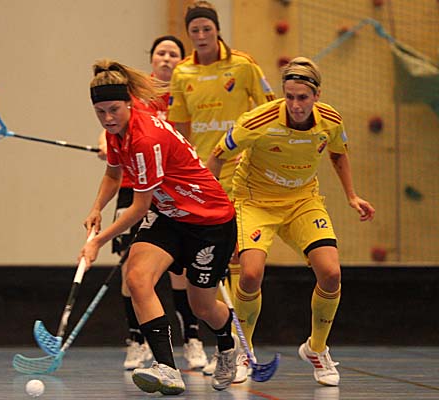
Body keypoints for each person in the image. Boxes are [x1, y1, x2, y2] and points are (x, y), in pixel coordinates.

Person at [206, 56, 376, 387]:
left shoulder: (330, 120)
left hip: (302, 201)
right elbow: (217, 155)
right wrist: (212, 208)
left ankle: (316, 349)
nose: (296, 105)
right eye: (290, 97)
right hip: (255, 202)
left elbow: (338, 153)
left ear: (317, 95)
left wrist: (352, 196)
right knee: (250, 274)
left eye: (303, 98)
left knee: (331, 273)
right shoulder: (257, 121)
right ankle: (243, 351)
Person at [81, 59, 239, 394]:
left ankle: (228, 345)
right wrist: (96, 208)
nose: (107, 119)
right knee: (137, 277)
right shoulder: (116, 132)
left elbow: (139, 208)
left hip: (209, 221)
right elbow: (113, 173)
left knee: (202, 307)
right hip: (169, 216)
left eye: (113, 110)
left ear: (129, 103)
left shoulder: (145, 139)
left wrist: (97, 241)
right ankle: (167, 368)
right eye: (100, 112)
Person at [167, 0, 276, 380]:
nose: (201, 36)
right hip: (203, 178)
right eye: (194, 31)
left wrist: (260, 150)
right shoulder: (182, 72)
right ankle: (228, 346)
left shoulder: (243, 65)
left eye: (207, 29)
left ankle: (241, 349)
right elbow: (179, 129)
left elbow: (270, 110)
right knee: (212, 261)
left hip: (243, 174)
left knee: (238, 259)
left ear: (217, 30)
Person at [96, 36, 208, 371]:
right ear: (152, 58)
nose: (167, 58)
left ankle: (192, 338)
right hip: (132, 186)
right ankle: (137, 340)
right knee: (131, 268)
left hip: (170, 189)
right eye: (161, 52)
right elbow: (109, 127)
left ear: (181, 60)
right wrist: (103, 143)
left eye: (174, 53)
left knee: (179, 270)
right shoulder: (130, 95)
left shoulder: (186, 94)